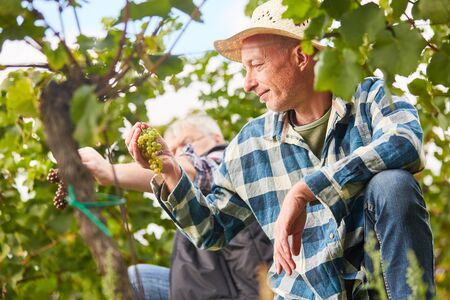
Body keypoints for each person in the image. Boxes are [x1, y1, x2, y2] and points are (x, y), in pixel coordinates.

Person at [125, 0, 435, 299]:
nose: (248, 83)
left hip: (380, 287)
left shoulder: (369, 97)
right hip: (303, 296)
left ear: (301, 57)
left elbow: (405, 142)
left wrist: (306, 189)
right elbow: (211, 232)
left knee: (392, 184)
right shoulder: (249, 145)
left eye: (256, 65)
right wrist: (171, 172)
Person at [79, 114, 273, 300]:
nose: (181, 152)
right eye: (174, 149)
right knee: (138, 279)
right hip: (206, 290)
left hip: (250, 291)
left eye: (187, 143)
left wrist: (108, 171)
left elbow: (197, 170)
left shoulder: (227, 159)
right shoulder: (183, 196)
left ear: (216, 137)